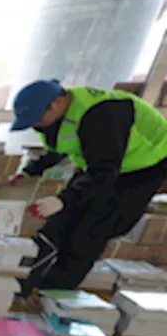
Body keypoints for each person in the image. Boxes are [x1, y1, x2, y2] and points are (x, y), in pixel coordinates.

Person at [9, 80, 167, 295]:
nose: (35, 126)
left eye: (36, 120)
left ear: (55, 104)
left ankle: (52, 295)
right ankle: (19, 286)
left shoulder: (101, 117)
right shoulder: (66, 112)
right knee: (57, 226)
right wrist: (31, 170)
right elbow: (65, 143)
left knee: (89, 234)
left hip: (142, 168)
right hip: (100, 164)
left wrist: (63, 199)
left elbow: (104, 172)